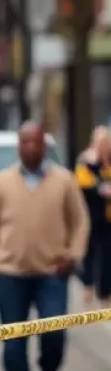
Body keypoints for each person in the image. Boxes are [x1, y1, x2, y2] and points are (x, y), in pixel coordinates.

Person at [0, 121, 90, 371]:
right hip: (10, 273)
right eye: (24, 142)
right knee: (13, 345)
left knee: (54, 336)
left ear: (44, 146)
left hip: (52, 273)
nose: (29, 147)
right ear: (19, 146)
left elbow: (80, 222)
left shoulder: (63, 181)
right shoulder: (3, 183)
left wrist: (74, 255)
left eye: (35, 142)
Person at [75, 125, 111, 305]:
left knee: (107, 252)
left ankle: (104, 290)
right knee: (89, 252)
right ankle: (88, 286)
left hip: (108, 216)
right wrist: (100, 188)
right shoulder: (86, 160)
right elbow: (82, 183)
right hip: (91, 213)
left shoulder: (109, 160)